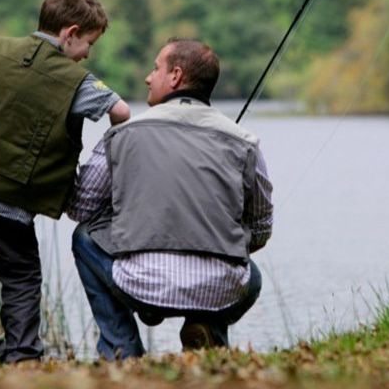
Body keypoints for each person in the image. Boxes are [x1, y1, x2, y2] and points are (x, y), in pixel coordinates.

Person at [0, 0, 131, 364]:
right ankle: (22, 358)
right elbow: (121, 112)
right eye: (88, 43)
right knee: (20, 273)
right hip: (7, 195)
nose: (88, 54)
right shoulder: (77, 81)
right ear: (69, 34)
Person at [67, 38, 273, 359]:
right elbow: (260, 229)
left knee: (84, 238)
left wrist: (126, 211)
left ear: (175, 76)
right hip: (221, 290)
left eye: (155, 68)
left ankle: (122, 351)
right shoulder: (245, 142)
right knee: (250, 274)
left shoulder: (122, 134)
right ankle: (207, 331)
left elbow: (82, 208)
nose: (149, 77)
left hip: (139, 285)